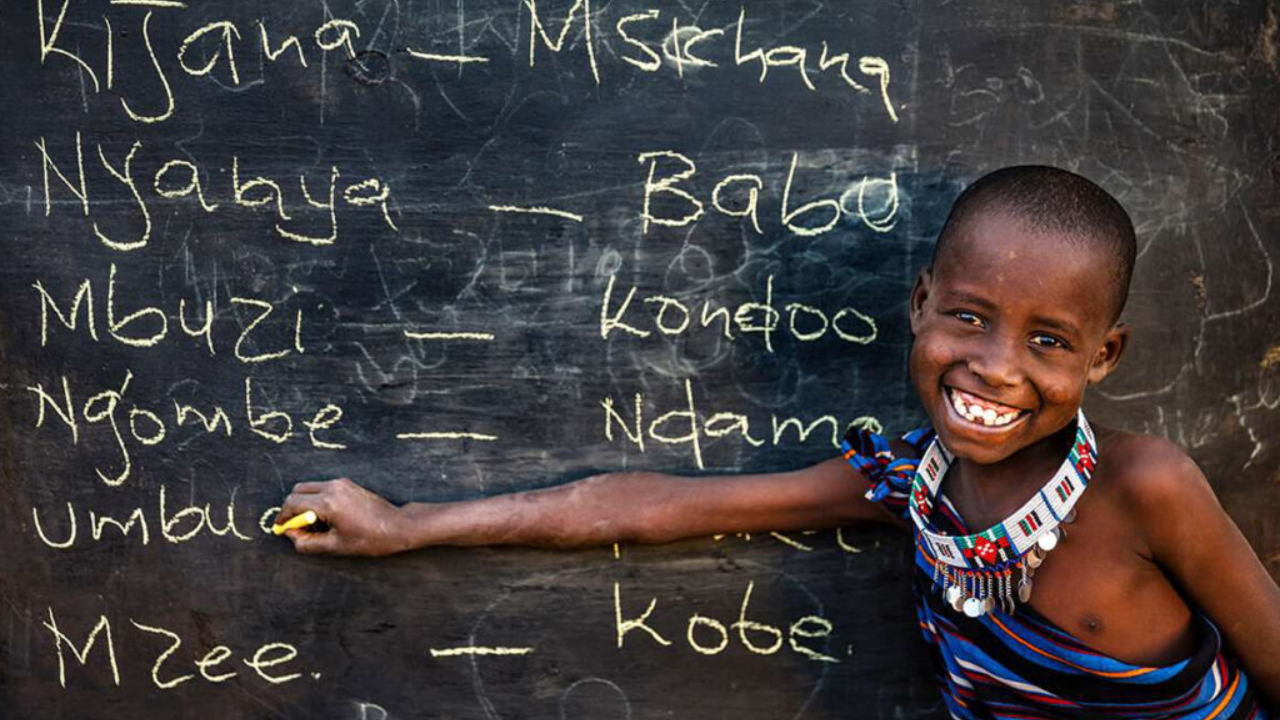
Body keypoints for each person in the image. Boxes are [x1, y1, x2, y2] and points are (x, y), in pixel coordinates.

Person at [276, 166, 1280, 718]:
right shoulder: (905, 480)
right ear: (918, 303)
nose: (995, 368)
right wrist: (410, 524)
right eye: (967, 318)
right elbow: (654, 504)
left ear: (1103, 358)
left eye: (1048, 341)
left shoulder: (1145, 489)